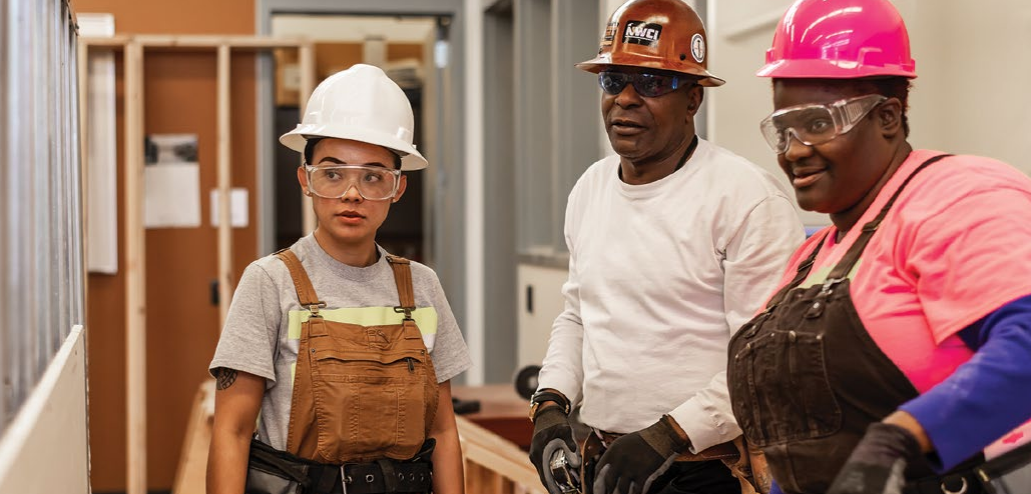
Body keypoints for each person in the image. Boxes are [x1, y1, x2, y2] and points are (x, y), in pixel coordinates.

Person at [726, 1, 1031, 493]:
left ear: (888, 116)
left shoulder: (959, 196)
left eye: (818, 123)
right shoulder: (811, 258)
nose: (795, 150)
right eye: (784, 130)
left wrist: (897, 439)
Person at [528, 1, 805, 493]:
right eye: (613, 81)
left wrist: (669, 434)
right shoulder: (590, 188)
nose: (626, 99)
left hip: (708, 469)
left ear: (693, 99)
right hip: (608, 462)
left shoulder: (745, 198)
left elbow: (764, 365)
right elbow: (578, 314)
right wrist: (551, 401)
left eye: (652, 84)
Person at [206, 64, 471, 494]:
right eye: (333, 173)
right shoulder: (270, 281)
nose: (352, 193)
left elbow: (442, 431)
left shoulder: (422, 286)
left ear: (397, 188)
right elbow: (232, 432)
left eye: (372, 176)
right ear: (305, 181)